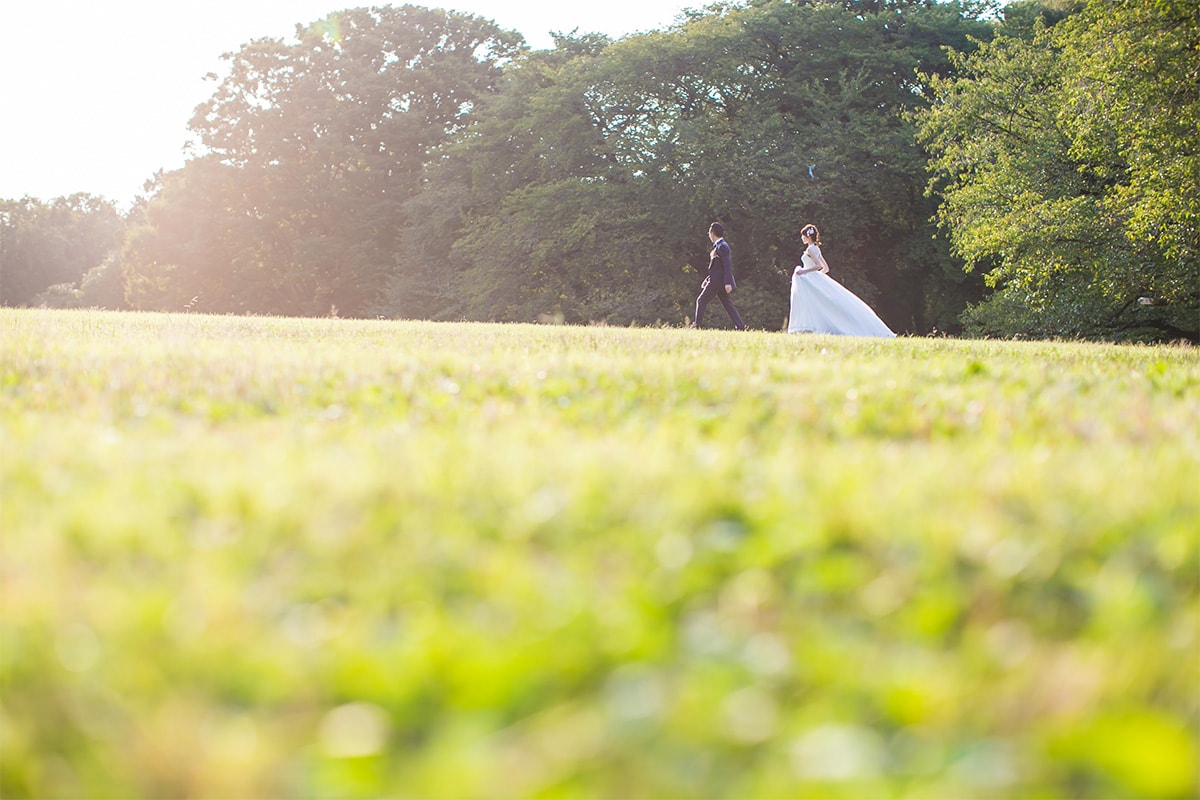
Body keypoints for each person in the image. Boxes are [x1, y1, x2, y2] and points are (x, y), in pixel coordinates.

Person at [788, 224, 895, 338]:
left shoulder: (810, 249)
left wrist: (805, 272)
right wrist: (818, 278)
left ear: (808, 237)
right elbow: (826, 268)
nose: (802, 238)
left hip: (809, 275)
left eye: (803, 236)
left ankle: (812, 325)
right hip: (813, 277)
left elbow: (819, 266)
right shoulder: (816, 248)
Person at [693, 222, 745, 330]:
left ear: (712, 233)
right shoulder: (719, 246)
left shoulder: (722, 246)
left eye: (709, 233)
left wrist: (728, 283)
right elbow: (717, 268)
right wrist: (707, 279)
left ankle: (696, 325)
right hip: (718, 280)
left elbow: (727, 265)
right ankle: (740, 327)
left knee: (701, 300)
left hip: (718, 282)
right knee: (728, 305)